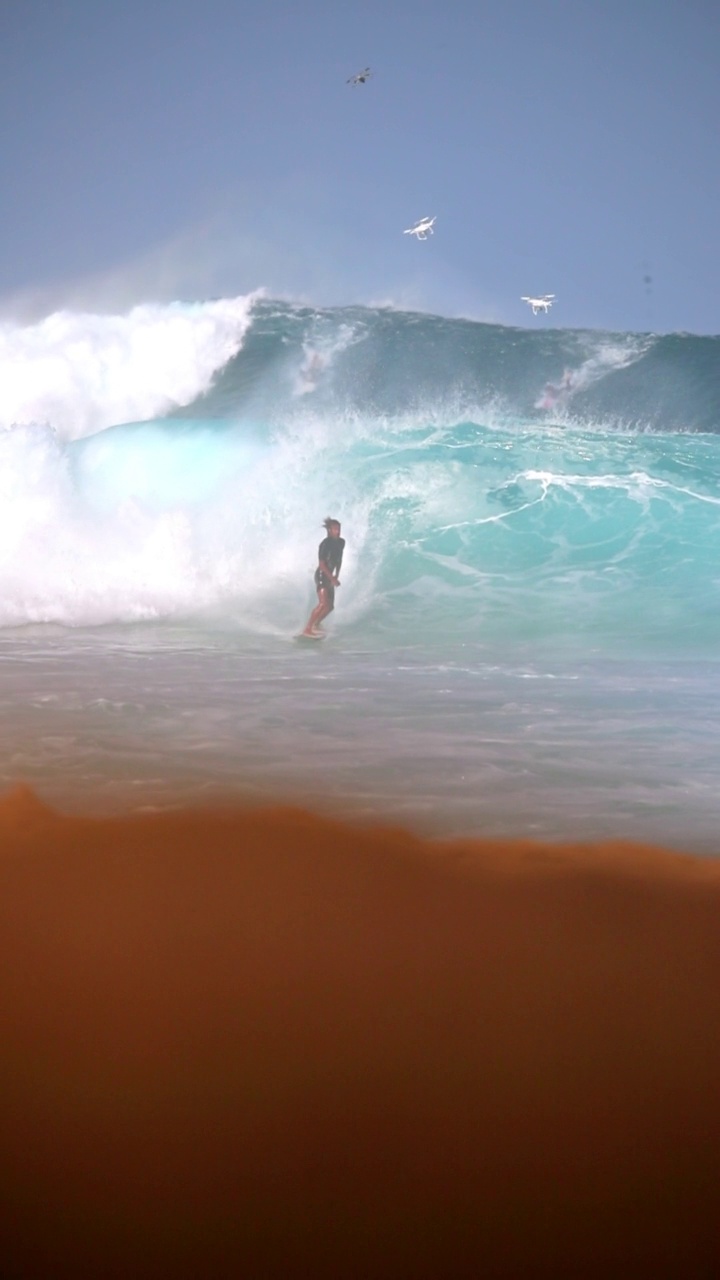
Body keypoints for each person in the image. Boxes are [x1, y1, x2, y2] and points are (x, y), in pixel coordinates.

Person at [302, 518, 345, 636]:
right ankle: (307, 629)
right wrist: (332, 578)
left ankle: (316, 624)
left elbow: (339, 560)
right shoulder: (325, 544)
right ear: (329, 530)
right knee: (322, 604)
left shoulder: (341, 542)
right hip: (322, 575)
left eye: (339, 529)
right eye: (335, 529)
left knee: (330, 607)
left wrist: (337, 575)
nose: (338, 531)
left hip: (330, 576)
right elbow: (322, 565)